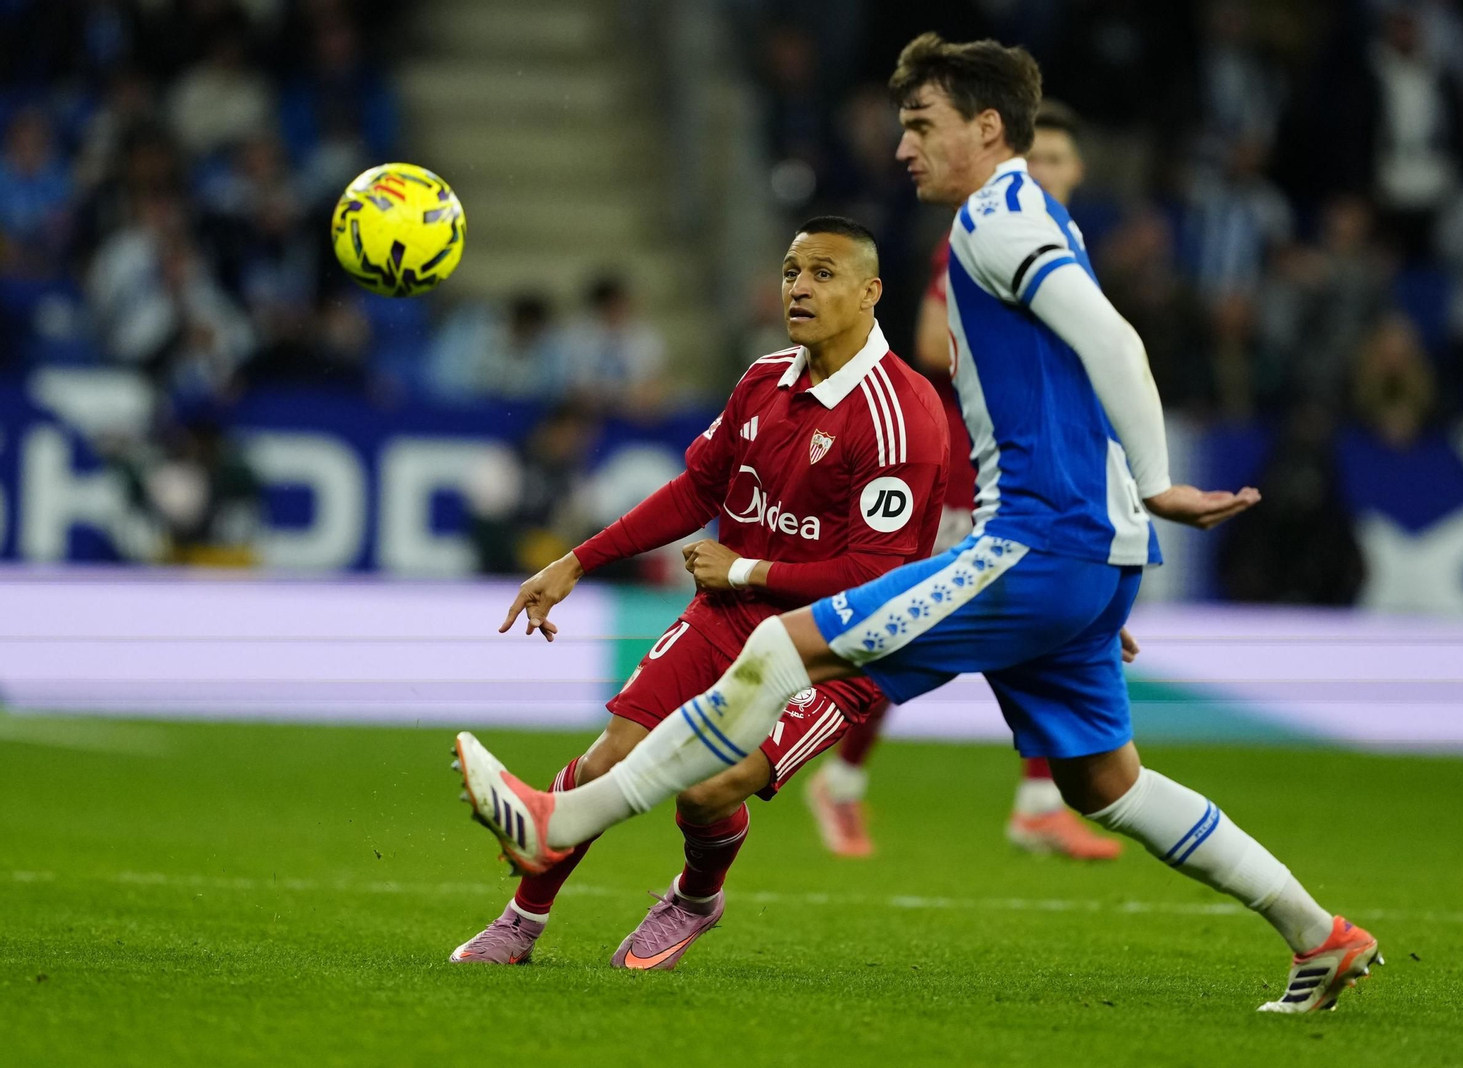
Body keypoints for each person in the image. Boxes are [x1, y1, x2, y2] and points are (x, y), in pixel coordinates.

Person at [457, 34, 1382, 1016]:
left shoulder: (996, 217)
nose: (901, 148)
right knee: (1107, 785)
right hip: (1086, 553)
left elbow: (1112, 340)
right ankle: (1318, 935)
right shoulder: (1027, 220)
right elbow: (1074, 374)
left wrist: (1154, 482)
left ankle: (562, 821)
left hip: (1035, 539)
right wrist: (1114, 542)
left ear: (985, 130)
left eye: (920, 125)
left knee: (780, 646)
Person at [448, 216, 949, 969]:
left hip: (839, 644)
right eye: (790, 271)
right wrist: (576, 562)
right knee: (602, 762)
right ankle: (521, 921)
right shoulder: (762, 378)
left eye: (822, 273)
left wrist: (743, 570)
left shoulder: (900, 415)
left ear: (871, 292)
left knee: (706, 792)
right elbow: (697, 491)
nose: (799, 287)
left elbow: (877, 580)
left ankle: (693, 897)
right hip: (728, 617)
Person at [809, 99, 1125, 862]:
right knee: (915, 633)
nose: (1044, 171)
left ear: (1078, 172)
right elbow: (924, 339)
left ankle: (1038, 803)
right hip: (969, 468)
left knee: (1047, 632)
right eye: (1035, 158)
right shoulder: (983, 239)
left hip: (1038, 476)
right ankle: (839, 780)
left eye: (1057, 160)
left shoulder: (1064, 249)